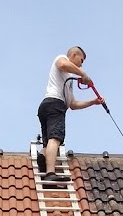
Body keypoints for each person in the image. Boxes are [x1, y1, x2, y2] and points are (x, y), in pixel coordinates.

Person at [37, 46, 104, 181]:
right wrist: (83, 74)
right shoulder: (61, 59)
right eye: (81, 60)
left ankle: (43, 157)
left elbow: (73, 104)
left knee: (49, 143)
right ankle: (50, 173)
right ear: (73, 55)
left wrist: (93, 102)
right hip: (55, 104)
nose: (81, 63)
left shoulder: (68, 78)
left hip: (48, 106)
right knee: (55, 138)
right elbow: (62, 64)